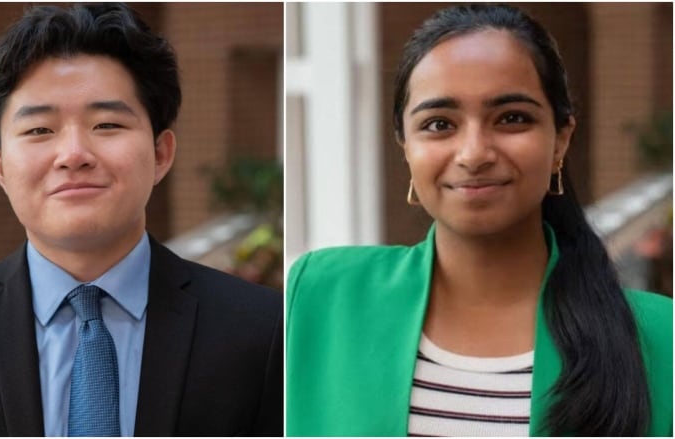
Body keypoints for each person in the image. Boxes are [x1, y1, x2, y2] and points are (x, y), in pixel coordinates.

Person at [286, 4, 671, 437]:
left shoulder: (661, 338)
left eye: (511, 118)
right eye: (438, 124)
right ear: (406, 146)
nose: (473, 154)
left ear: (560, 139)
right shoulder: (319, 296)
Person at [0, 3, 282, 436]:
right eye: (40, 130)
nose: (74, 155)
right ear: (0, 167)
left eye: (106, 124)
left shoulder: (264, 330)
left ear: (161, 154)